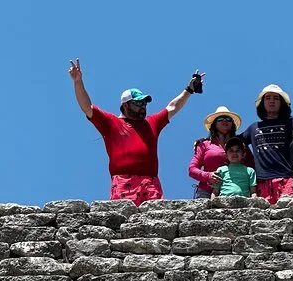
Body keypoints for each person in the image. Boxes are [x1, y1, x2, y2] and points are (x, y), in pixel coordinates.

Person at [68, 58, 205, 206]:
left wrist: (189, 90)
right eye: (138, 103)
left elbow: (172, 107)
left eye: (144, 103)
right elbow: (87, 107)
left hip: (151, 183)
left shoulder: (151, 123)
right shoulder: (111, 123)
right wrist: (78, 82)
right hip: (123, 182)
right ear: (125, 105)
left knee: (155, 218)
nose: (143, 106)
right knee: (124, 217)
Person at [188, 106, 254, 198]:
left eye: (228, 119)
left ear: (232, 124)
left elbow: (252, 167)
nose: (225, 121)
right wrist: (208, 176)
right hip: (207, 191)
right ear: (214, 124)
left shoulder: (241, 145)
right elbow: (192, 169)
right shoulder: (204, 144)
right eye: (220, 119)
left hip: (237, 192)